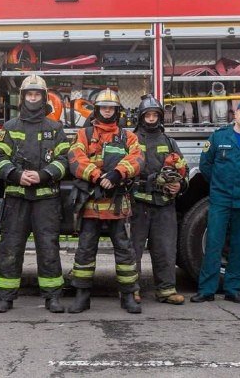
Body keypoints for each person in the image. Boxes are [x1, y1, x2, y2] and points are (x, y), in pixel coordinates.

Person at [0, 75, 70, 313]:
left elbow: (65, 159)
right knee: (11, 247)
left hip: (46, 200)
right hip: (17, 198)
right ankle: (5, 296)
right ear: (23, 97)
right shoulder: (10, 128)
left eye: (37, 94)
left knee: (49, 248)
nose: (33, 98)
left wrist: (44, 174)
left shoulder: (55, 129)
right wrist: (16, 175)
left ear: (44, 98)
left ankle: (52, 296)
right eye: (29, 94)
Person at [67, 89, 144, 314]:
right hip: (91, 202)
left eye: (111, 108)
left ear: (117, 111)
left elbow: (138, 159)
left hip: (117, 203)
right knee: (85, 250)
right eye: (103, 107)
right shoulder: (85, 133)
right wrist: (97, 176)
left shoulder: (128, 136)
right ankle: (82, 296)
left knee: (125, 250)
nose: (107, 111)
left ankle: (128, 295)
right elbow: (75, 158)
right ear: (97, 110)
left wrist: (117, 174)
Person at [191, 99, 240, 305]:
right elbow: (205, 166)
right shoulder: (219, 137)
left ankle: (233, 289)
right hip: (221, 199)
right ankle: (206, 289)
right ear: (234, 115)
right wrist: (220, 185)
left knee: (239, 244)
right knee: (214, 243)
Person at [131, 95, 189, 305]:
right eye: (148, 114)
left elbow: (184, 170)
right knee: (133, 250)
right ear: (141, 117)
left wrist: (179, 184)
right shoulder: (131, 140)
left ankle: (166, 290)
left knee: (165, 247)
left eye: (155, 114)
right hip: (137, 204)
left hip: (164, 205)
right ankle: (131, 290)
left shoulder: (169, 142)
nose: (152, 118)